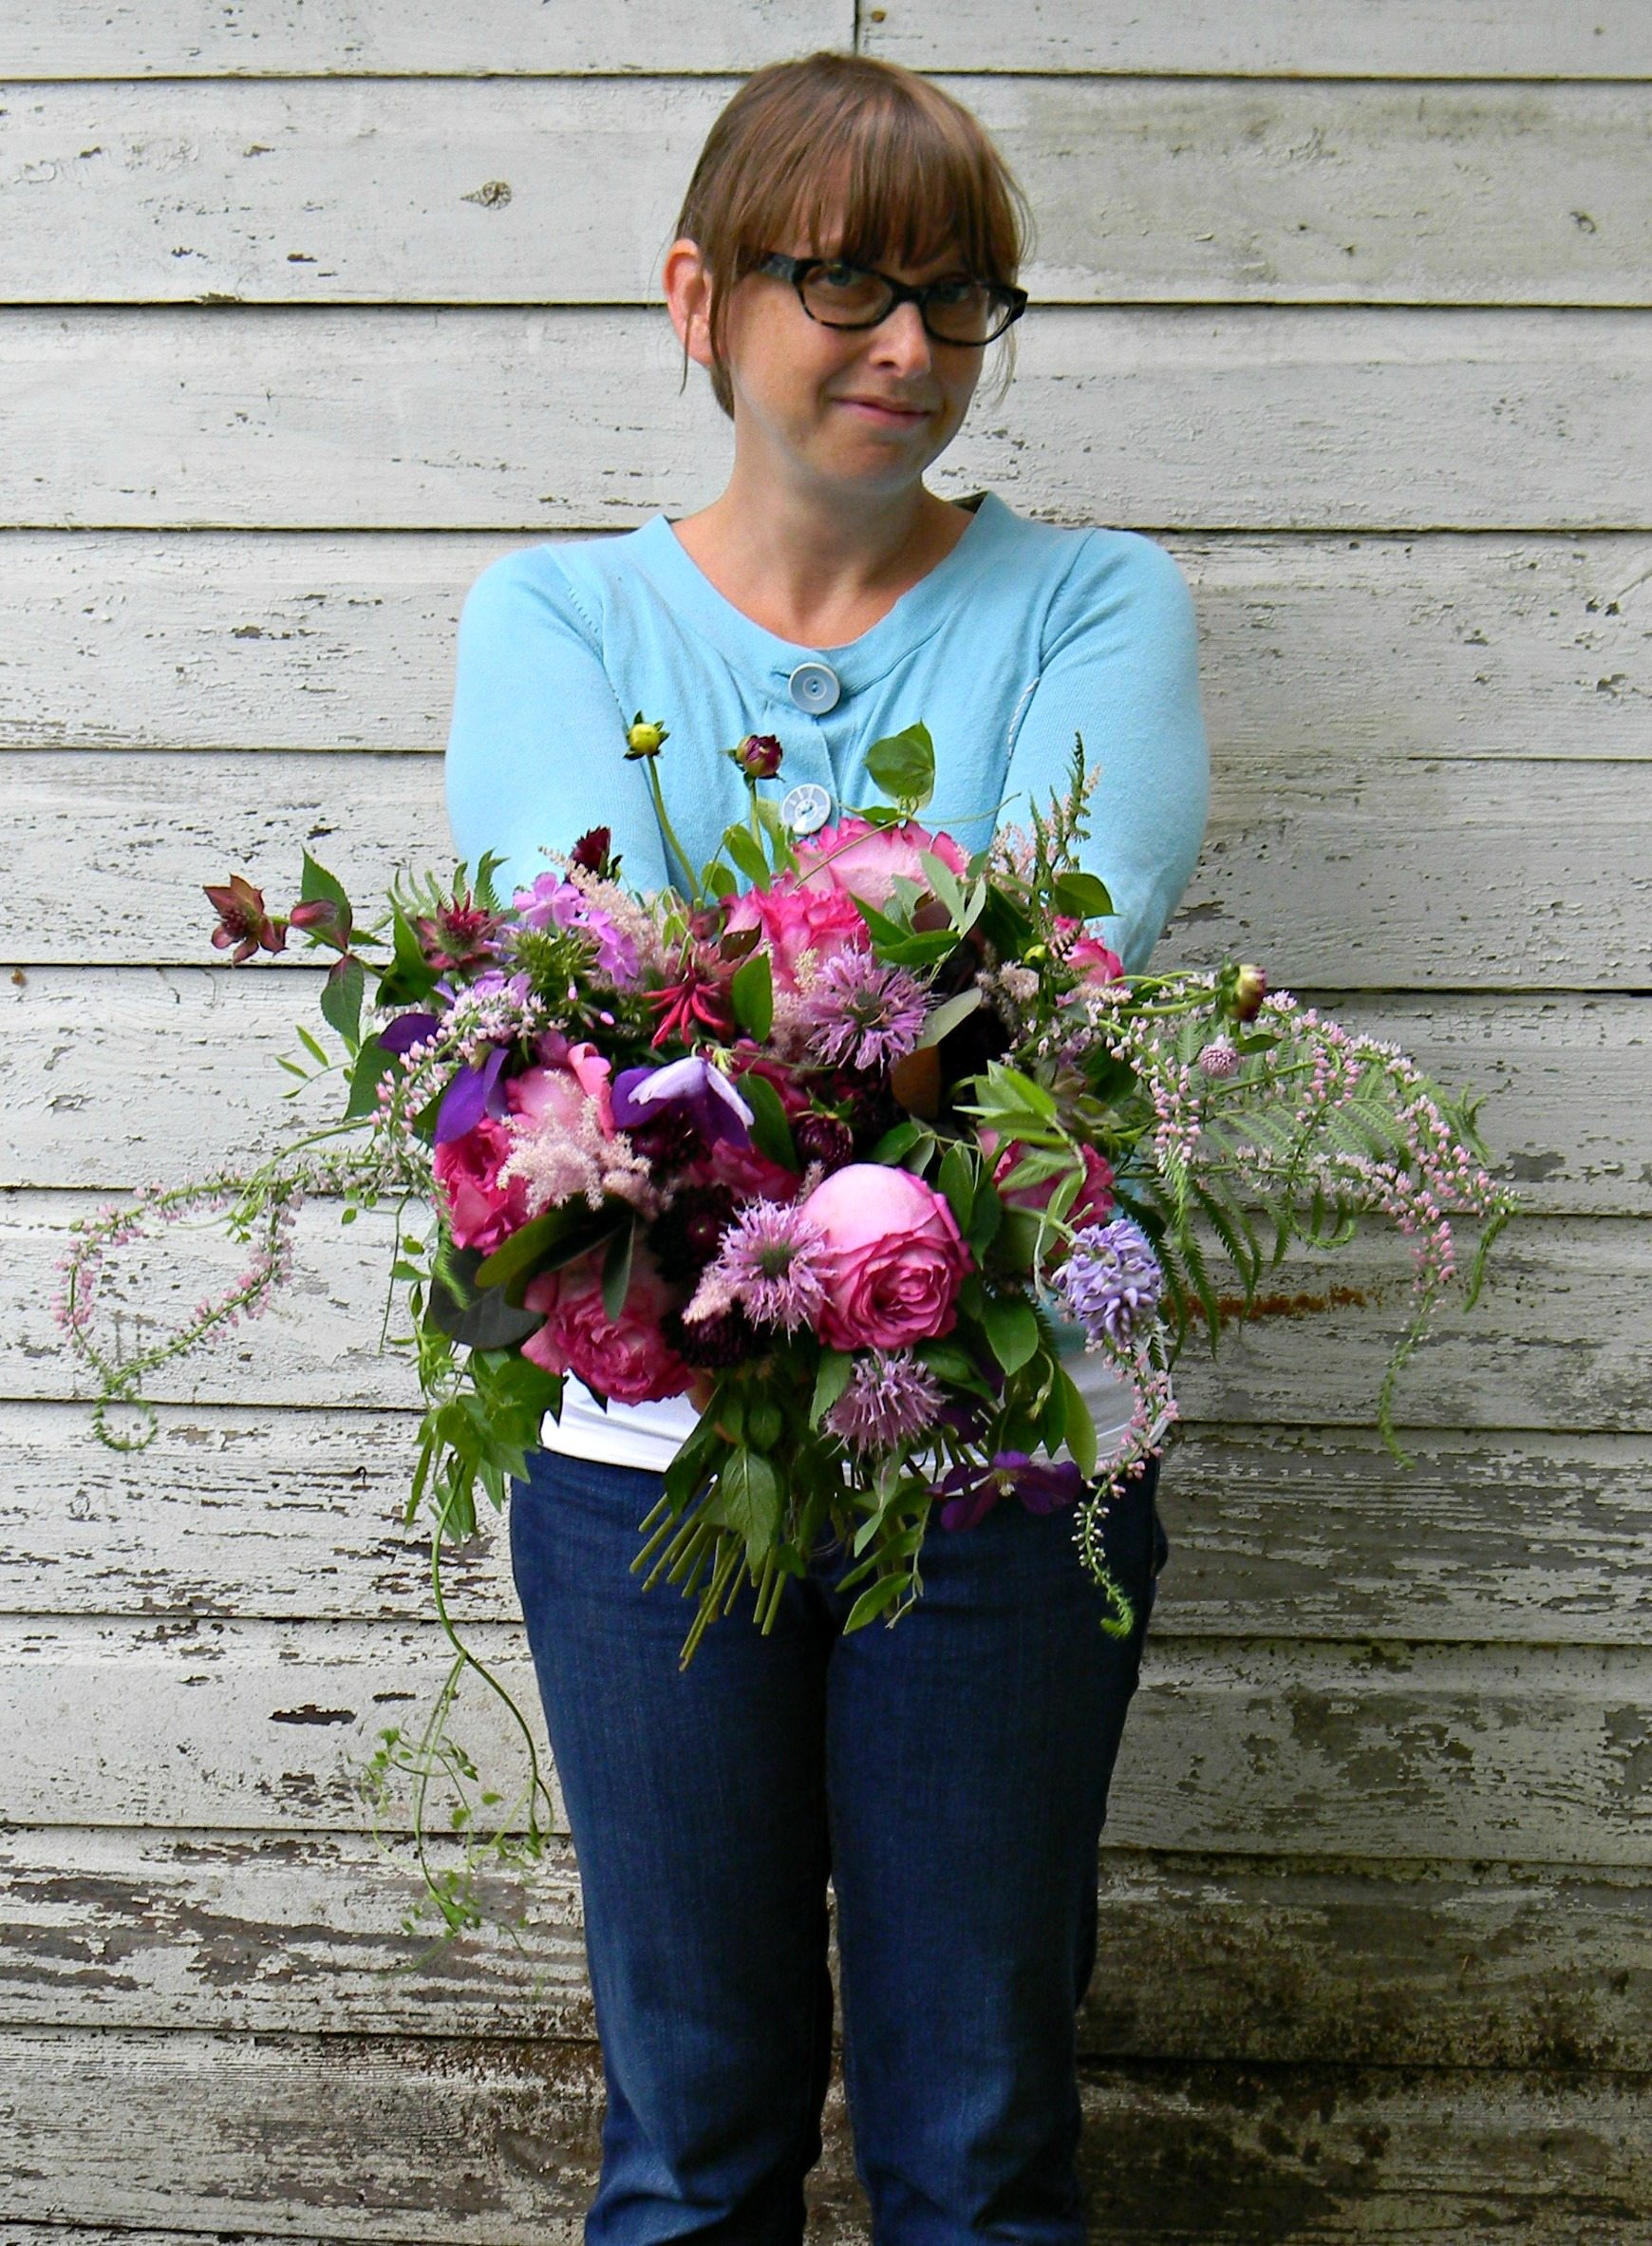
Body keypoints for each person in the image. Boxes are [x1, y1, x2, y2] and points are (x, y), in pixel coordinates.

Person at [444, 49, 1208, 2245]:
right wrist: (851, 987)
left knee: (977, 2137)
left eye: (962, 299)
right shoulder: (556, 618)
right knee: (692, 2140)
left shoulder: (1093, 600)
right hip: (643, 1443)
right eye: (846, 282)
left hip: (1005, 1428)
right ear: (700, 295)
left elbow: (1052, 962)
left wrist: (732, 1007)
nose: (910, 346)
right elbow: (570, 980)